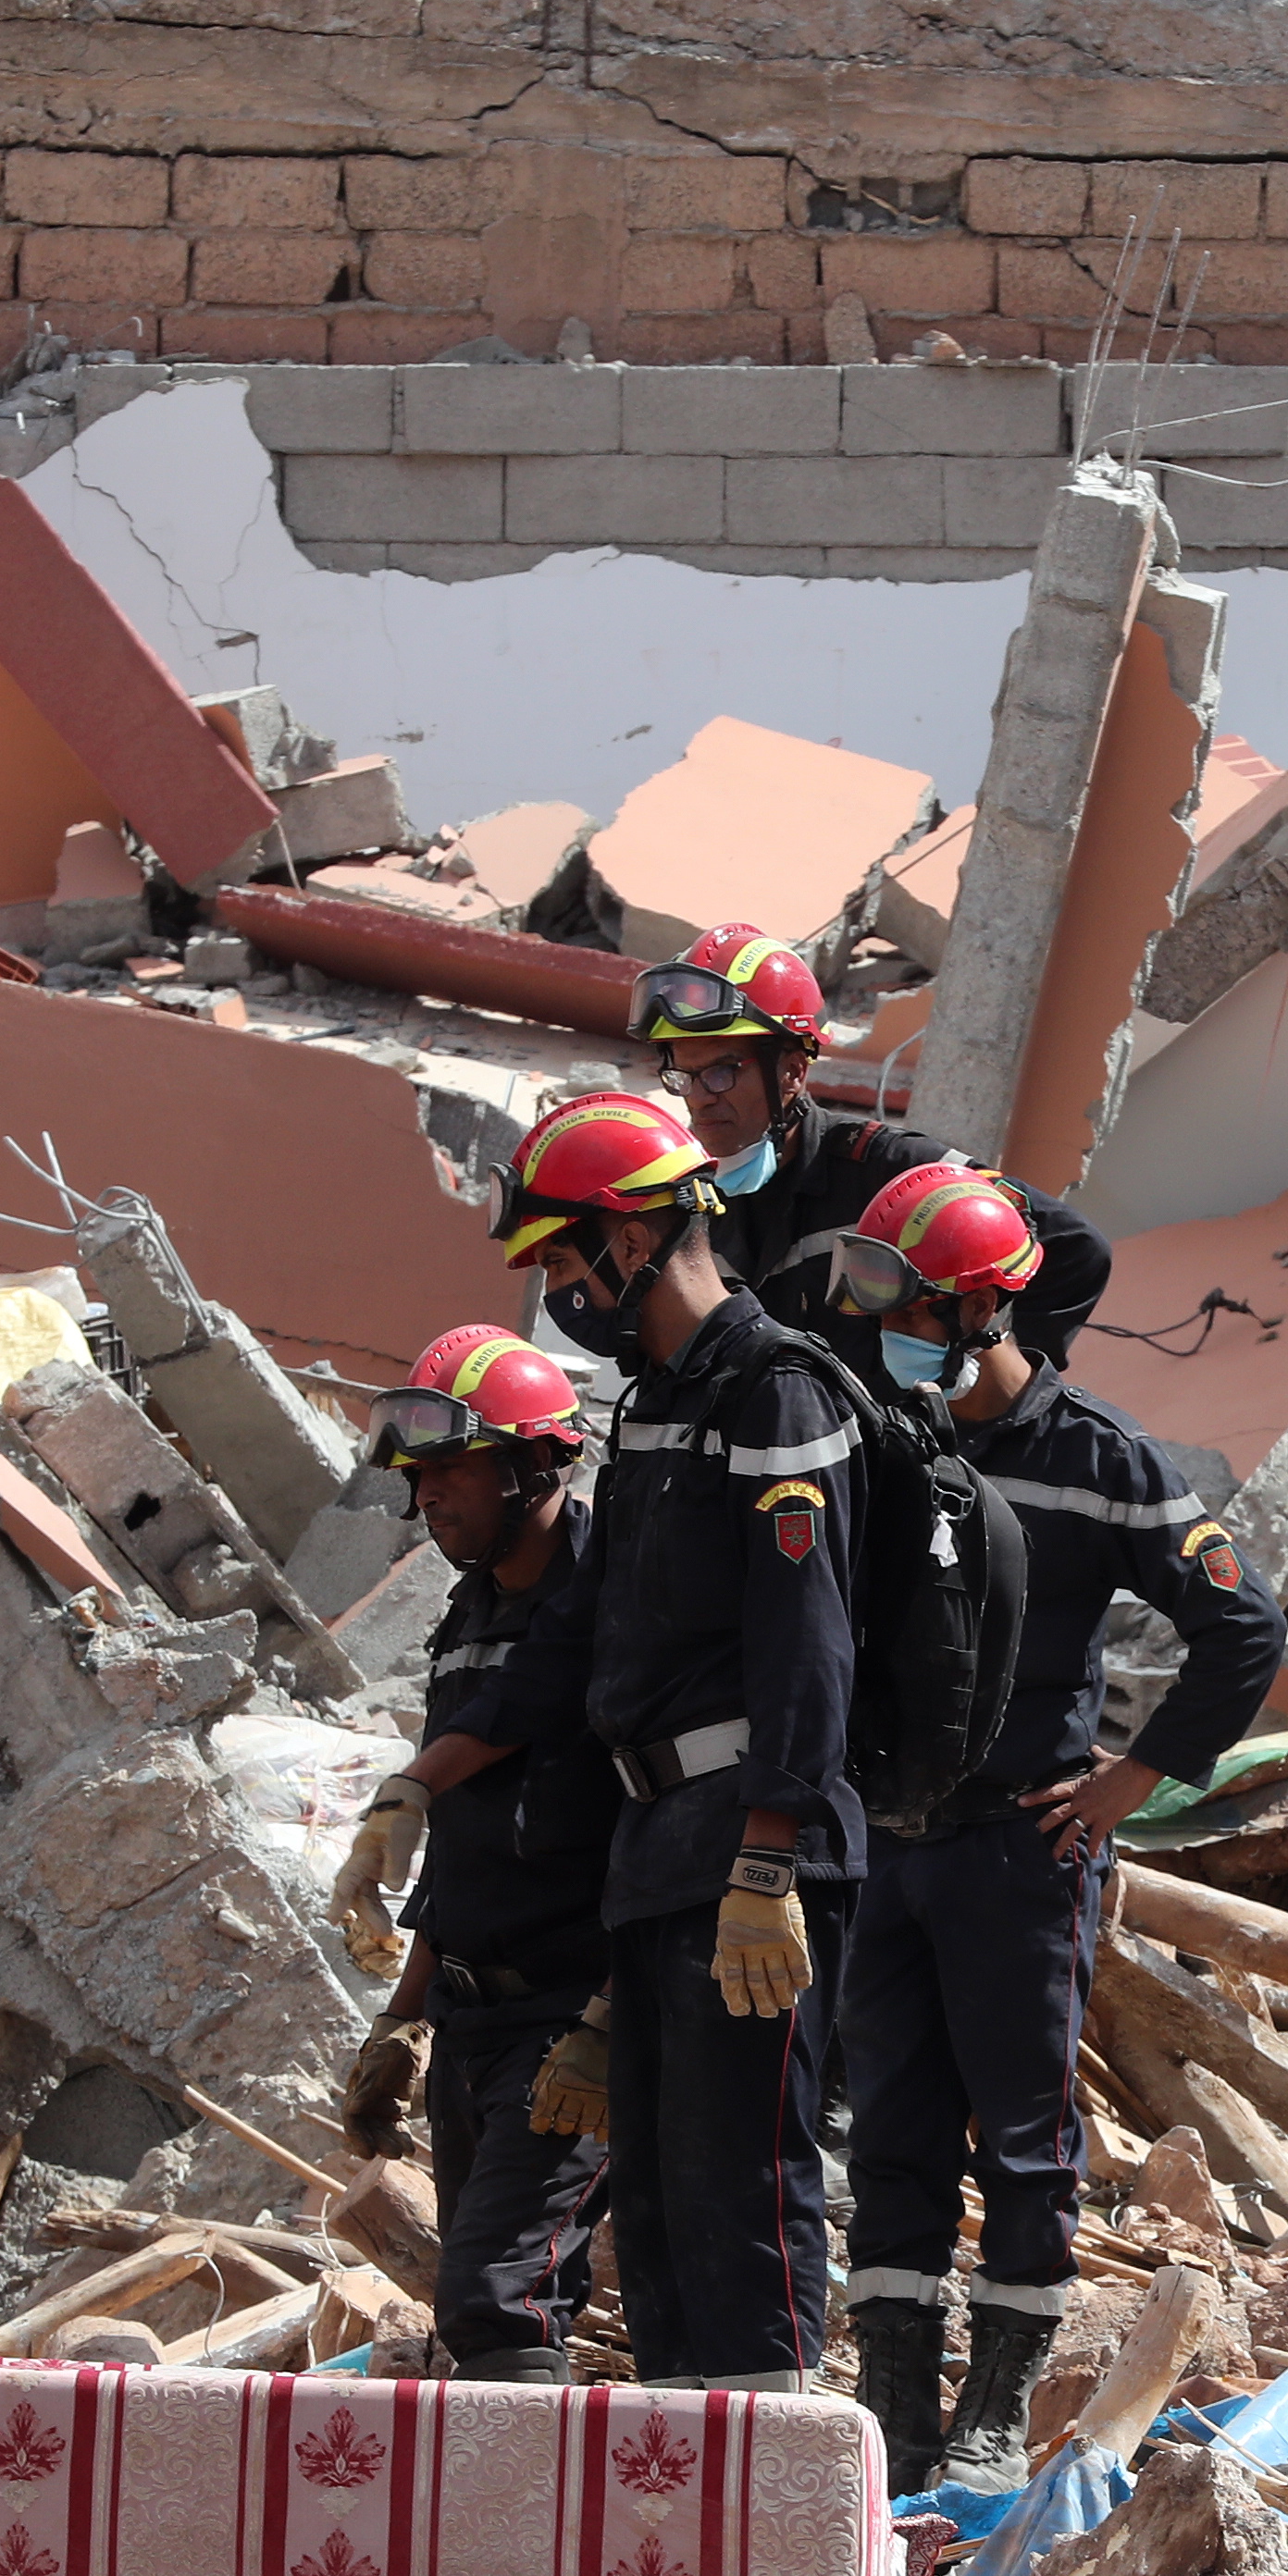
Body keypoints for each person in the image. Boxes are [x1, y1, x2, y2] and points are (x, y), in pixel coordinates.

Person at [824, 1168, 1286, 2496]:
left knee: (1022, 2133)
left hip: (1019, 1857)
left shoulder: (1099, 1457)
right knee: (895, 2126)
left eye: (907, 1305)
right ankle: (898, 2399)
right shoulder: (880, 1438)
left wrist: (1131, 1783)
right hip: (889, 1844)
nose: (883, 1330)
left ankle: (996, 2401)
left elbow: (1242, 1627)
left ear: (978, 1310)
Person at [484, 1089, 866, 2392]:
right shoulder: (652, 1405)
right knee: (653, 2212)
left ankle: (776, 2529)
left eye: (558, 1254)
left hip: (748, 1845)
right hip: (659, 1850)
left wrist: (769, 1864)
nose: (554, 1287)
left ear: (632, 1239)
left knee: (744, 2201)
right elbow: (601, 1658)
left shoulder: (777, 1394)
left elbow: (806, 1647)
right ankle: (689, 2538)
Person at [327, 1325, 613, 2384]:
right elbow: (465, 1842)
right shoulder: (472, 1610)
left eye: (451, 1470)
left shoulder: (610, 1601)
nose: (429, 1497)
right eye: (418, 1477)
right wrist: (404, 2014)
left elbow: (667, 1829)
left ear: (534, 1461)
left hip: (572, 2017)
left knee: (499, 2297)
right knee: (489, 2303)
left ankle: (520, 2531)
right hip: (475, 2016)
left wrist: (612, 2017)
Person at [634, 921, 1117, 1401]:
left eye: (720, 1071)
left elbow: (1075, 1250)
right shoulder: (696, 1203)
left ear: (792, 1072)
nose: (699, 1098)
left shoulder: (891, 1171)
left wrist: (989, 1397)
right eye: (684, 1076)